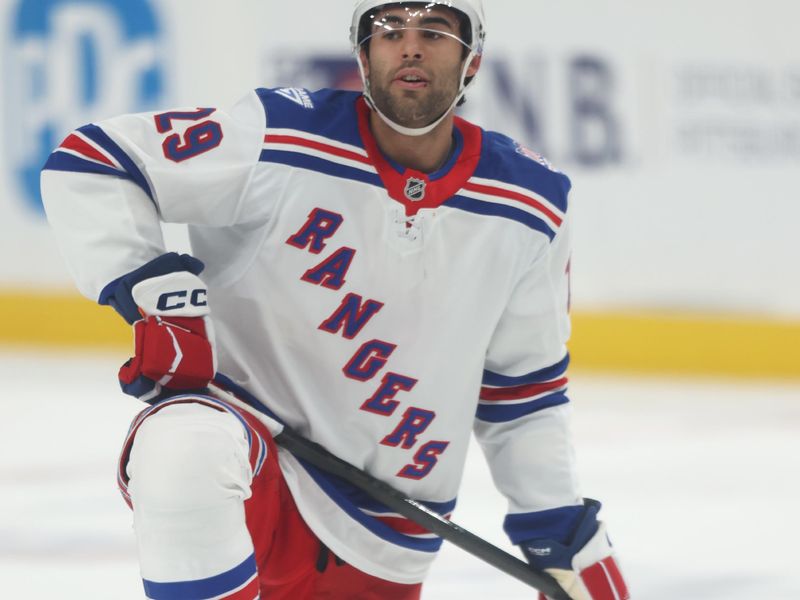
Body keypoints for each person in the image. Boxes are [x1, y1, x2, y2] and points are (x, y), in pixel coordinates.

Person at [41, 1, 629, 598]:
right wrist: (157, 296)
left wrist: (558, 528)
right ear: (363, 55)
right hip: (255, 465)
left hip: (389, 531)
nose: (410, 46)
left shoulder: (531, 203)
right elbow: (93, 161)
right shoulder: (276, 137)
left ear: (471, 60)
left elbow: (522, 388)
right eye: (389, 30)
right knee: (183, 445)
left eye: (434, 31)